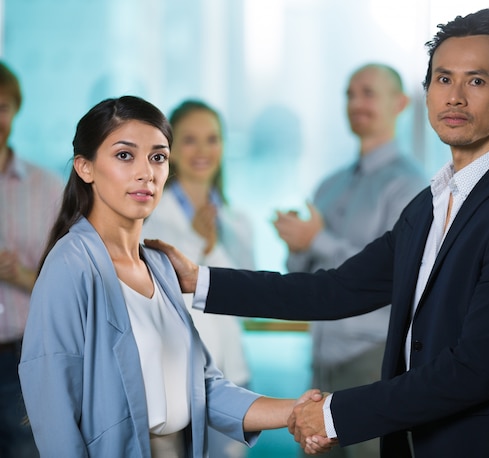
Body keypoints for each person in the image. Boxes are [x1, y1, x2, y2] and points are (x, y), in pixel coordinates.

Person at [148, 8, 489, 457]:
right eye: (443, 79)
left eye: (477, 81)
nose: (454, 97)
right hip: (414, 442)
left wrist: (333, 415)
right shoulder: (430, 204)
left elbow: (473, 371)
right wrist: (199, 281)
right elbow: (336, 290)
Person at [17, 95, 325, 458]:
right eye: (124, 155)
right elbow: (54, 416)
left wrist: (302, 410)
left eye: (158, 157)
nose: (146, 172)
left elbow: (203, 388)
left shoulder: (161, 267)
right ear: (85, 168)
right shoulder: (70, 266)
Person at [272, 63, 425, 458]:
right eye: (350, 94)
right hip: (322, 366)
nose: (356, 102)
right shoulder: (329, 185)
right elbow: (304, 279)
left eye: (369, 92)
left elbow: (389, 273)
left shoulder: (409, 186)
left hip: (372, 365)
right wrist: (298, 244)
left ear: (401, 103)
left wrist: (317, 239)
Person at [142, 99, 253, 458]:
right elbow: (154, 288)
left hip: (229, 372)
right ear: (169, 150)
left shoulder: (237, 220)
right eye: (190, 140)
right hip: (167, 374)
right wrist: (197, 240)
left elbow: (250, 291)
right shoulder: (148, 215)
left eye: (212, 139)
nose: (203, 150)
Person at [0, 61, 63, 457]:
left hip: (24, 358)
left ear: (16, 110)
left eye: (2, 107)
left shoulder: (47, 188)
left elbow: (71, 285)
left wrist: (21, 274)